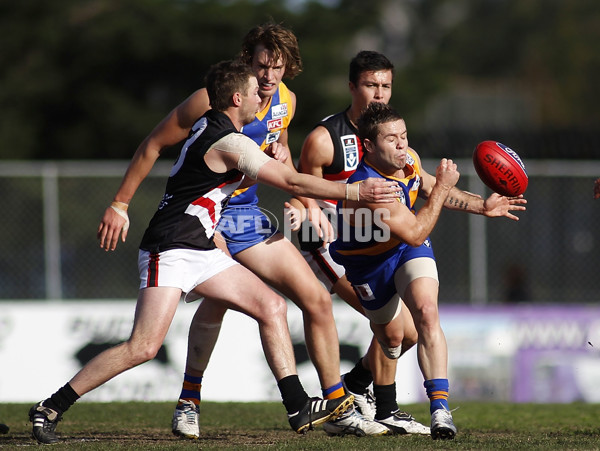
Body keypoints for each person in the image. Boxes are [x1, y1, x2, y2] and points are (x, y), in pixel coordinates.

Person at [28, 59, 401, 445]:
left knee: (271, 307)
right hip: (170, 246)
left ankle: (296, 405)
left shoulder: (215, 126)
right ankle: (50, 407)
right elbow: (289, 179)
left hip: (200, 246)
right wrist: (355, 191)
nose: (263, 95)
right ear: (238, 97)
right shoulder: (231, 142)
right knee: (143, 347)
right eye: (256, 91)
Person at [329, 102, 527, 440]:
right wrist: (444, 188)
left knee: (426, 311)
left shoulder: (407, 160)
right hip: (368, 265)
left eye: (404, 135)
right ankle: (355, 384)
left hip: (406, 248)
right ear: (369, 147)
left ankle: (440, 410)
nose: (402, 144)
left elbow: (426, 191)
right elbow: (419, 227)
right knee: (393, 339)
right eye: (391, 139)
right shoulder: (370, 186)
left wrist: (482, 205)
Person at [288, 50, 428, 436]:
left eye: (385, 86)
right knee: (393, 332)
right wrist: (309, 211)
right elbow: (300, 187)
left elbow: (424, 182)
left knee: (411, 333)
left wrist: (482, 204)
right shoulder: (324, 138)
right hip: (335, 242)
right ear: (352, 87)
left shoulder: (392, 137)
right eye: (370, 85)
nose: (379, 94)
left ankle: (352, 389)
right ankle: (386, 408)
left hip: (379, 243)